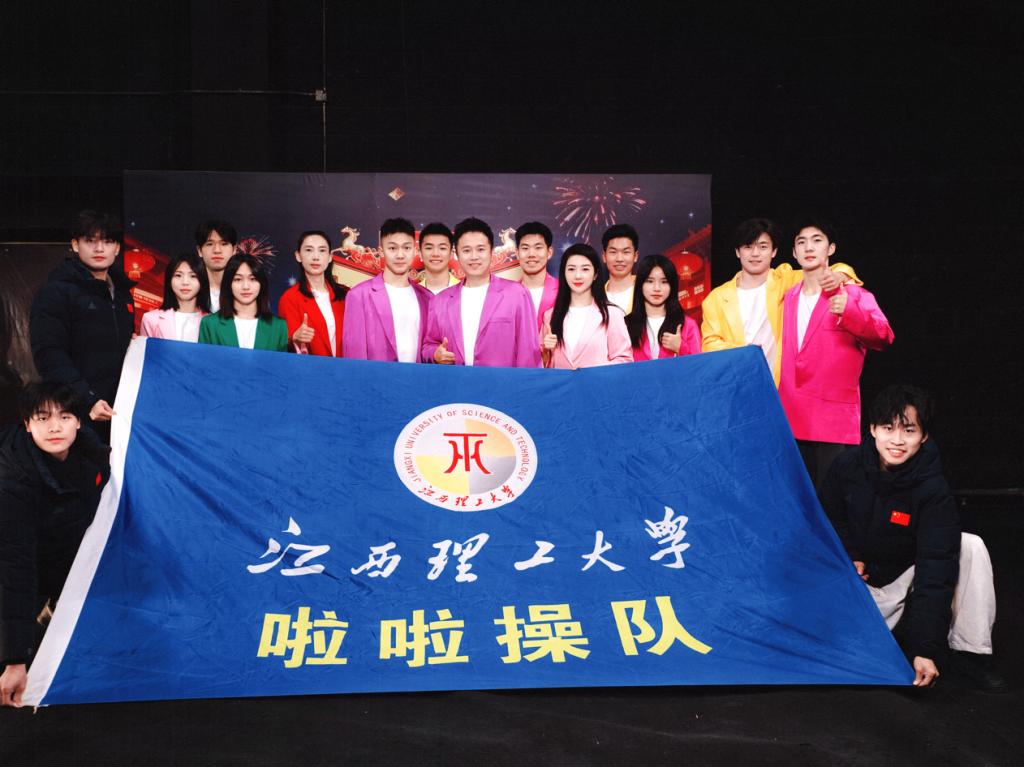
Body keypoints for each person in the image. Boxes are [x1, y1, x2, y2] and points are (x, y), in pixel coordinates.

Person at [819, 385, 1005, 691]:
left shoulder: (933, 488)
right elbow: (828, 519)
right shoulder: (846, 466)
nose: (897, 440)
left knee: (969, 545)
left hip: (905, 582)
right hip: (859, 586)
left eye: (908, 430)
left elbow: (935, 568)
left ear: (924, 436)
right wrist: (851, 555)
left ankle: (969, 654)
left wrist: (925, 649)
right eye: (887, 428)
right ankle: (888, 636)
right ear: (872, 429)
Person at [0, 383, 110, 708]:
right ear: (27, 424)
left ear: (79, 421)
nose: (54, 427)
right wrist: (14, 659)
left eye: (64, 416)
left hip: (58, 561)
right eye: (42, 418)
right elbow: (15, 568)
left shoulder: (93, 458)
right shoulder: (11, 482)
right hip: (15, 569)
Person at [778, 217, 893, 487]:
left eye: (817, 240)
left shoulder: (852, 293)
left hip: (833, 422)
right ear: (794, 252)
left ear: (831, 249)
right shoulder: (786, 297)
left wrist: (849, 310)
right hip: (789, 419)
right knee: (797, 502)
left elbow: (884, 336)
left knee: (835, 503)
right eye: (801, 242)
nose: (809, 247)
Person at [700, 218, 861, 384]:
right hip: (738, 382)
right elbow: (709, 344)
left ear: (774, 251)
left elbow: (829, 270)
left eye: (763, 247)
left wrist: (840, 275)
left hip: (782, 385)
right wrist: (747, 354)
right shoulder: (716, 298)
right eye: (748, 247)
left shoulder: (786, 280)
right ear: (737, 252)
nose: (755, 253)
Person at [29, 210, 135, 441]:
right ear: (75, 245)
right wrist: (87, 400)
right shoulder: (55, 292)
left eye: (108, 241)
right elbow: (49, 354)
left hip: (118, 413)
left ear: (117, 248)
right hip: (76, 412)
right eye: (90, 241)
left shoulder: (123, 294)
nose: (99, 249)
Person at [422, 217, 540, 368]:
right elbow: (429, 345)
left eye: (480, 249)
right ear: (456, 254)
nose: (474, 257)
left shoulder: (517, 294)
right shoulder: (440, 300)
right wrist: (435, 354)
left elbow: (529, 352)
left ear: (491, 252)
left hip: (502, 382)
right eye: (466, 250)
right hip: (456, 381)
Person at [343, 218, 432, 362]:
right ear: (381, 251)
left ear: (415, 251)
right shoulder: (359, 295)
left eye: (406, 248)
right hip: (375, 376)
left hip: (418, 376)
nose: (400, 255)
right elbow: (354, 355)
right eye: (392, 248)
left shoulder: (426, 298)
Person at [541, 244, 632, 369]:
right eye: (571, 269)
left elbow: (625, 360)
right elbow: (541, 367)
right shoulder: (550, 316)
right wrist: (545, 351)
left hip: (597, 382)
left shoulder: (612, 314)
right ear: (564, 273)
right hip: (561, 382)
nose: (578, 276)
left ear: (595, 274)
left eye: (585, 269)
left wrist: (593, 372)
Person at [198, 254, 288, 352]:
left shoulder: (278, 326)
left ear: (261, 283)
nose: (246, 286)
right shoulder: (209, 324)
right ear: (228, 284)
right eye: (238, 279)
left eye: (253, 279)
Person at [278, 230, 346, 357]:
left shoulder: (345, 295)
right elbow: (284, 345)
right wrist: (295, 338)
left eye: (322, 250)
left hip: (346, 367)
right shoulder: (290, 298)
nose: (316, 257)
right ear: (298, 256)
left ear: (330, 257)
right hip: (310, 367)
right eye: (309, 250)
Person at [626, 255, 701, 361]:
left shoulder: (688, 325)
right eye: (650, 281)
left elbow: (699, 366)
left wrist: (681, 348)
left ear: (672, 286)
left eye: (664, 282)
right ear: (640, 285)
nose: (657, 288)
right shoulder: (626, 325)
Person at [139, 253, 210, 342]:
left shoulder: (213, 322)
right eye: (178, 275)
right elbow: (144, 350)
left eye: (193, 276)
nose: (185, 282)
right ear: (169, 280)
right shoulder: (151, 319)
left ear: (202, 281)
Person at [514, 221, 558, 327]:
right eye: (525, 248)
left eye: (538, 248)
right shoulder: (508, 294)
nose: (531, 254)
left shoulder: (563, 291)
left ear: (549, 252)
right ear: (517, 253)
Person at [194, 220, 238, 313]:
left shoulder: (245, 290)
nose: (217, 250)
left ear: (234, 250)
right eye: (210, 244)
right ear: (199, 251)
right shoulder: (190, 289)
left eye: (224, 244)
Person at [417, 222, 459, 295]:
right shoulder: (413, 293)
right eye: (429, 248)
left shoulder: (463, 291)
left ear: (451, 253)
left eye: (442, 248)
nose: (435, 254)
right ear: (420, 253)